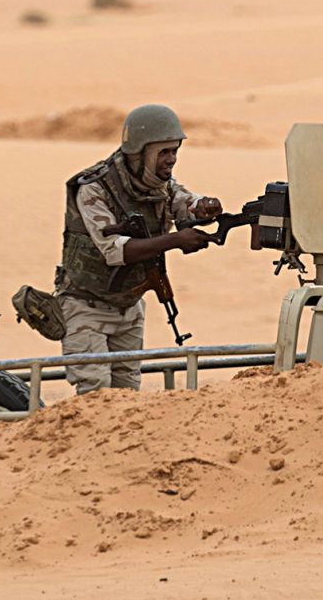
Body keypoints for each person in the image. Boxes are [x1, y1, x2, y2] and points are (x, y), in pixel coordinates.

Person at [54, 103, 221, 393]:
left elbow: (183, 201)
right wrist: (175, 241)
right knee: (95, 396)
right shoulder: (95, 188)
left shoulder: (159, 184)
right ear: (139, 153)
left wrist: (204, 208)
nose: (171, 160)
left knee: (126, 397)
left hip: (128, 309)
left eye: (174, 151)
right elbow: (116, 250)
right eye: (163, 152)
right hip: (86, 307)